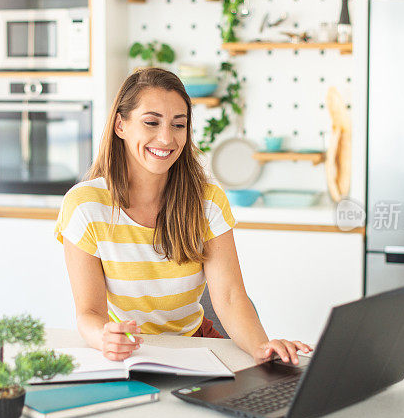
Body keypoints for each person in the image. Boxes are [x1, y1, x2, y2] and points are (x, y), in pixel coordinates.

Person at [55, 67, 312, 365]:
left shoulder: (208, 201)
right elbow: (89, 313)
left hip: (197, 346)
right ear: (120, 125)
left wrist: (261, 348)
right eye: (151, 122)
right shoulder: (84, 206)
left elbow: (229, 297)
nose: (166, 138)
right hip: (127, 353)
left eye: (179, 125)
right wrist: (104, 338)